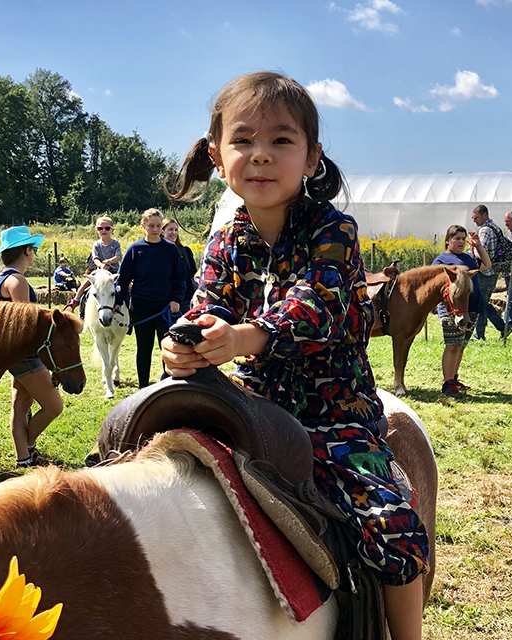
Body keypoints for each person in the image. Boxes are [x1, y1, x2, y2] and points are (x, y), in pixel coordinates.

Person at [161, 72, 429, 640]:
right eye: (243, 141)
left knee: (393, 528)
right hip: (251, 404)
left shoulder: (333, 229)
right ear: (217, 154)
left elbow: (320, 305)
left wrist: (242, 338)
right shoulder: (225, 238)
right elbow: (205, 301)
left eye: (281, 141)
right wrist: (185, 341)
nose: (260, 155)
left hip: (333, 415)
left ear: (311, 158)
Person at [0, 226, 62, 469]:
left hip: (12, 352)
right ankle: (27, 447)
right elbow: (27, 322)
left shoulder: (3, 279)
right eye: (34, 250)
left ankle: (24, 458)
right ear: (27, 251)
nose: (35, 254)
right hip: (25, 354)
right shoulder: (17, 281)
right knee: (53, 406)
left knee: (21, 406)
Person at [116, 208, 187, 388]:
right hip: (141, 308)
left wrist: (176, 300)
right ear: (143, 226)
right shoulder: (135, 249)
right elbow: (123, 279)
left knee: (167, 347)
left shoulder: (170, 250)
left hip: (165, 308)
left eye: (158, 226)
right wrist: (118, 302)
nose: (155, 229)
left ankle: (169, 385)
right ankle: (143, 387)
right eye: (151, 226)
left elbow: (180, 279)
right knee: (144, 348)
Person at [433, 225, 489, 397]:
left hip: (472, 308)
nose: (460, 242)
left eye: (463, 239)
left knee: (461, 345)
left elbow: (486, 265)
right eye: (456, 238)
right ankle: (447, 384)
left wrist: (478, 245)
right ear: (448, 240)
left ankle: (454, 379)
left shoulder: (468, 257)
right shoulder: (441, 260)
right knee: (452, 344)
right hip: (453, 310)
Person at [68, 215, 122, 315]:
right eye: (100, 228)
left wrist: (110, 261)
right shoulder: (96, 244)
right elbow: (95, 258)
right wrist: (101, 266)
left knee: (126, 287)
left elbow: (118, 256)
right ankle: (77, 300)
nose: (103, 230)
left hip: (113, 272)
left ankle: (131, 305)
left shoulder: (115, 244)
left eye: (107, 228)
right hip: (99, 272)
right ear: (97, 230)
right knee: (84, 285)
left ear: (112, 230)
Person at [470, 205, 509, 339]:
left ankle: (481, 334)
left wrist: (470, 252)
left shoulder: (485, 230)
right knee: (483, 303)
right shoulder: (495, 227)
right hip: (493, 271)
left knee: (481, 303)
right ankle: (501, 328)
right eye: (472, 218)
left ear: (484, 215)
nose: (474, 221)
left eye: (476, 218)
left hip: (484, 272)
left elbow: (480, 250)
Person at [163, 217, 198, 314]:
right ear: (162, 232)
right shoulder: (159, 253)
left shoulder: (185, 251)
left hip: (186, 298)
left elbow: (193, 273)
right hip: (166, 300)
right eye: (170, 229)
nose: (173, 232)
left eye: (176, 230)